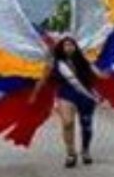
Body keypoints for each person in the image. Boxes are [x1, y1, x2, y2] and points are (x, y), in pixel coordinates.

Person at [36, 36, 103, 168]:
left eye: (71, 45)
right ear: (61, 47)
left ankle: (85, 150)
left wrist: (107, 73)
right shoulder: (54, 62)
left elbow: (99, 74)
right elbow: (43, 79)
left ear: (75, 47)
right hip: (65, 95)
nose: (68, 47)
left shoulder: (84, 60)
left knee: (86, 125)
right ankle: (71, 153)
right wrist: (34, 94)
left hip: (85, 96)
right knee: (67, 123)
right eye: (66, 45)